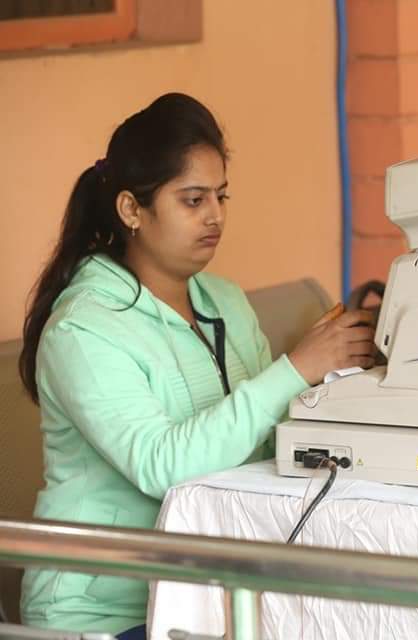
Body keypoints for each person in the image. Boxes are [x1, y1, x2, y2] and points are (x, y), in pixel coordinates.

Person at [18, 93, 376, 638]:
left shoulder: (224, 301)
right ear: (131, 210)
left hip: (211, 594)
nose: (216, 216)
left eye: (221, 196)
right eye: (193, 200)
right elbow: (165, 467)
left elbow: (267, 441)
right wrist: (294, 369)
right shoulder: (83, 330)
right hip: (107, 611)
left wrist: (340, 380)